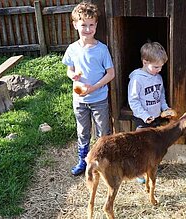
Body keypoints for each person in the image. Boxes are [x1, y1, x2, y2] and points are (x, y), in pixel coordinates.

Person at [62, 1, 115, 176]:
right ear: (75, 24)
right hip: (79, 100)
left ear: (96, 25)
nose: (87, 29)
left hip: (98, 98)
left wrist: (94, 87)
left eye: (91, 25)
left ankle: (103, 160)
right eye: (83, 24)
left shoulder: (101, 49)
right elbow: (69, 70)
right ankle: (83, 161)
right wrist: (73, 76)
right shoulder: (72, 49)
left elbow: (110, 74)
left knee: (103, 132)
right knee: (83, 131)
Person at [128, 42, 173, 183]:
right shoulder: (136, 79)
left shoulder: (158, 78)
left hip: (156, 118)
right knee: (141, 147)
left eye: (161, 67)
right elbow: (133, 101)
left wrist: (165, 109)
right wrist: (145, 116)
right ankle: (138, 172)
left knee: (154, 145)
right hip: (143, 120)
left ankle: (151, 166)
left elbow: (161, 97)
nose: (159, 70)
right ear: (145, 62)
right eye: (156, 67)